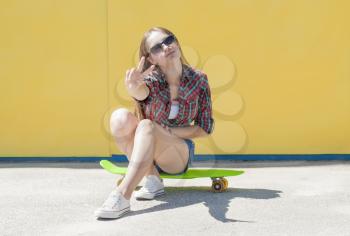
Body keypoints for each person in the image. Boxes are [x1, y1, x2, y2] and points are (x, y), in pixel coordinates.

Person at [94, 26, 215, 219]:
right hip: (145, 148)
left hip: (177, 153)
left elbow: (205, 128)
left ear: (176, 41)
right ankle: (152, 178)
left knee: (146, 125)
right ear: (150, 58)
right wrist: (133, 88)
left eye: (168, 40)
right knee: (119, 117)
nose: (166, 47)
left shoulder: (198, 80)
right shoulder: (152, 80)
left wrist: (171, 132)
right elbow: (142, 93)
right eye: (157, 48)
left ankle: (122, 195)